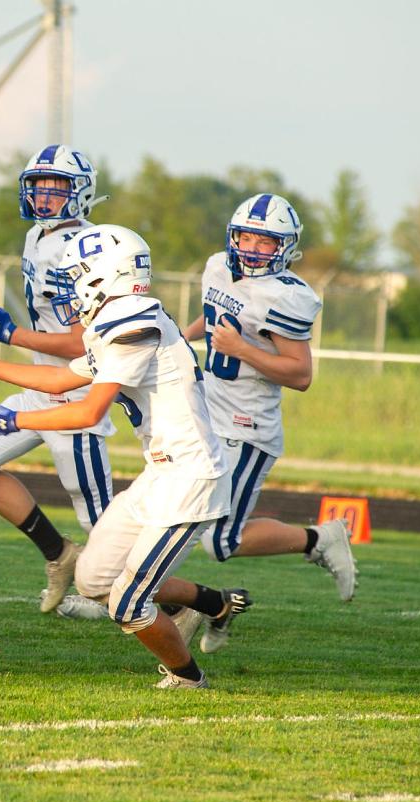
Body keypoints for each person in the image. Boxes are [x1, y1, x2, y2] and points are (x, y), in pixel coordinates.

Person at [0, 225, 251, 689]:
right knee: (92, 579)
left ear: (104, 275)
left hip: (191, 479)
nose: (68, 289)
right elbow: (62, 381)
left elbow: (88, 410)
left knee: (127, 604)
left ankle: (188, 678)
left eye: (74, 276)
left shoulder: (133, 321)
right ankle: (213, 603)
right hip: (159, 474)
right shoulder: (123, 318)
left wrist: (13, 422)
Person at [175, 193, 356, 650]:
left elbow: (300, 374)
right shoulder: (218, 265)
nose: (253, 248)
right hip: (206, 407)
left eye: (266, 241)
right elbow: (216, 313)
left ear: (287, 247)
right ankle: (191, 607)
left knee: (220, 542)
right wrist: (182, 335)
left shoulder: (286, 296)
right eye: (247, 237)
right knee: (176, 509)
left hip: (247, 426)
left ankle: (320, 539)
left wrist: (242, 350)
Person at [0, 144, 114, 613]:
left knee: (103, 525)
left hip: (78, 396)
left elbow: (82, 341)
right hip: (40, 390)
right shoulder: (38, 238)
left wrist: (15, 335)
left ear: (81, 193)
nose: (44, 196)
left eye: (57, 187)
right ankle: (58, 556)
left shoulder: (85, 248)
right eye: (38, 186)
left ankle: (179, 605)